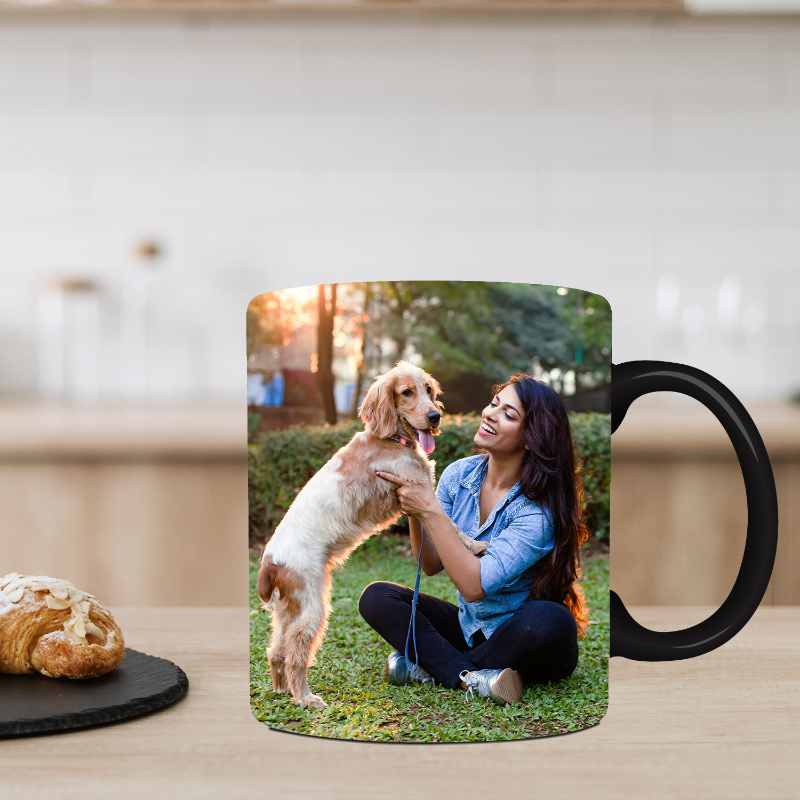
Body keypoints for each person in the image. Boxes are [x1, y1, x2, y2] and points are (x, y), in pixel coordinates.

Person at [358, 374, 589, 706]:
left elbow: (474, 587)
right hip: (470, 629)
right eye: (494, 404)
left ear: (530, 438)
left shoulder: (537, 512)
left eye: (509, 414)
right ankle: (476, 677)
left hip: (523, 637)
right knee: (378, 597)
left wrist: (430, 509)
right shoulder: (458, 475)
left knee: (551, 619)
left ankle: (436, 668)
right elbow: (430, 563)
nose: (491, 414)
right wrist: (412, 501)